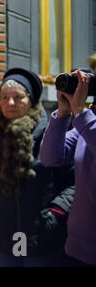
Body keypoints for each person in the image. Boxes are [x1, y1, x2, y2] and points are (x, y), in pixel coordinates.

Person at [0, 68, 75, 267]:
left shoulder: (53, 134)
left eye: (18, 97)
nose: (10, 103)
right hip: (2, 234)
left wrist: (56, 212)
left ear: (31, 100)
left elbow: (74, 182)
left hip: (43, 236)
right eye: (4, 97)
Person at [40, 70, 96, 267]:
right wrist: (63, 113)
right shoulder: (89, 119)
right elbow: (50, 157)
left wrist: (81, 112)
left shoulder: (87, 119)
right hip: (76, 247)